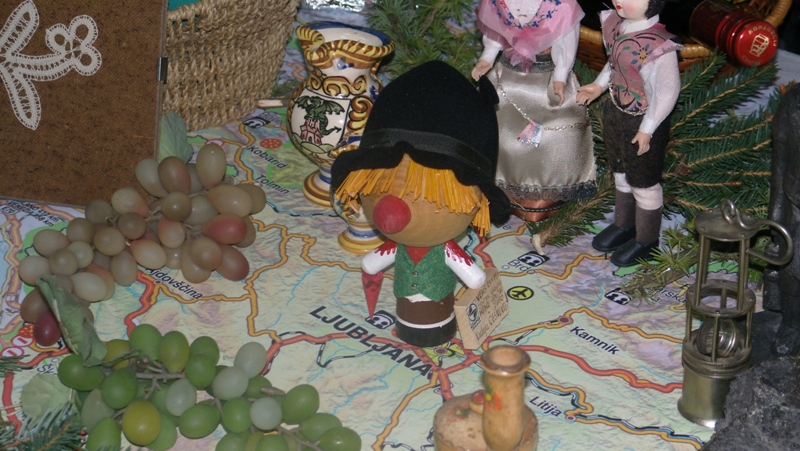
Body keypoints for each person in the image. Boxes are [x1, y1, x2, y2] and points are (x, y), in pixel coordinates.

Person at [331, 61, 510, 347]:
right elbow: (371, 262)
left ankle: (438, 326)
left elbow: (475, 280)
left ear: (478, 199)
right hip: (404, 315)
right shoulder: (397, 245)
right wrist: (370, 265)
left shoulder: (446, 251)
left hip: (440, 314)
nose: (392, 211)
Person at [575, 0, 681, 267]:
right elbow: (615, 62)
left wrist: (648, 129)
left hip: (644, 121)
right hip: (616, 111)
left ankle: (647, 240)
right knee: (620, 172)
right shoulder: (619, 27)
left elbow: (667, 92)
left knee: (644, 183)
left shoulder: (659, 46)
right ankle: (624, 225)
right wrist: (598, 86)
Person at [473, 0, 597, 222]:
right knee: (494, 121)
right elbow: (495, 31)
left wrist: (560, 76)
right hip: (507, 76)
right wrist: (487, 57)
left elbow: (566, 40)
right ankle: (496, 184)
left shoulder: (562, 5)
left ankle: (542, 194)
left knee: (558, 129)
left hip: (546, 77)